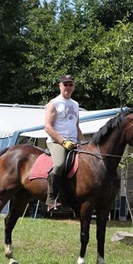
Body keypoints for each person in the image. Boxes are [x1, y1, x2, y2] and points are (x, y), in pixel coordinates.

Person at [44, 74, 84, 210]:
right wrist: (63, 142)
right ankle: (51, 199)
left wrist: (83, 143)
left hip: (74, 142)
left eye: (70, 84)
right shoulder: (53, 103)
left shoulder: (76, 104)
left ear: (74, 86)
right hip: (56, 142)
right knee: (60, 164)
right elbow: (48, 127)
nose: (68, 87)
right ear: (60, 86)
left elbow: (77, 127)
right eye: (65, 84)